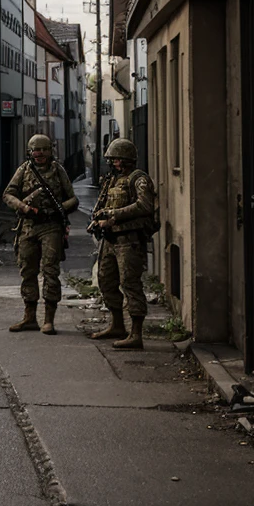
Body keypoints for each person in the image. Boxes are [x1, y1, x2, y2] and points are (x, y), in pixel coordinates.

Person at [2, 133, 78, 335]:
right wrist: (22, 207)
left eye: (44, 149)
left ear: (50, 151)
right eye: (36, 150)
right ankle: (29, 317)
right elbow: (8, 194)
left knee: (50, 271)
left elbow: (73, 199)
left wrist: (58, 210)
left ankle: (48, 320)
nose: (40, 154)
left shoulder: (57, 170)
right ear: (30, 152)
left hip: (51, 227)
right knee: (27, 270)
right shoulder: (24, 170)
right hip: (27, 227)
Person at [88, 138, 157, 350]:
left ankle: (136, 334)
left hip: (129, 240)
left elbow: (145, 205)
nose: (114, 163)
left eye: (117, 159)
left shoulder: (139, 178)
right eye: (112, 160)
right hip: (110, 239)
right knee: (106, 281)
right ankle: (117, 325)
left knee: (130, 283)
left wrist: (113, 215)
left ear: (127, 159)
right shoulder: (112, 180)